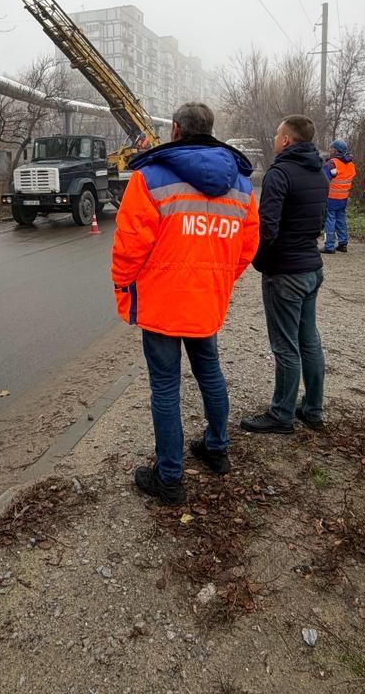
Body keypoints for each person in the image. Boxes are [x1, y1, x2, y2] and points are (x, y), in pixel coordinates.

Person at [111, 102, 260, 505]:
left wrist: (124, 286)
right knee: (210, 374)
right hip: (206, 301)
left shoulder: (150, 177)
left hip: (161, 302)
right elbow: (247, 247)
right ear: (210, 129)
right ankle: (217, 448)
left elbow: (129, 246)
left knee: (165, 387)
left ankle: (170, 478)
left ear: (175, 129)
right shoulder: (242, 184)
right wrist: (219, 278)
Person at [240, 115, 328, 434]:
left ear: (287, 140)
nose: (275, 138)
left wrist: (261, 261)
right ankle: (313, 409)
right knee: (309, 341)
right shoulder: (319, 171)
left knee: (285, 345)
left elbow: (268, 227)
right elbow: (320, 220)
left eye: (278, 133)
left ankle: (282, 415)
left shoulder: (280, 173)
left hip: (285, 273)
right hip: (311, 269)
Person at [321, 138, 356, 254]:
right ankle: (343, 243)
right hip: (343, 197)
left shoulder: (332, 163)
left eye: (331, 148)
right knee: (341, 220)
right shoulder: (350, 164)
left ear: (335, 150)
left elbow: (324, 180)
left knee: (330, 221)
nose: (329, 150)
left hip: (331, 197)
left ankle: (329, 246)